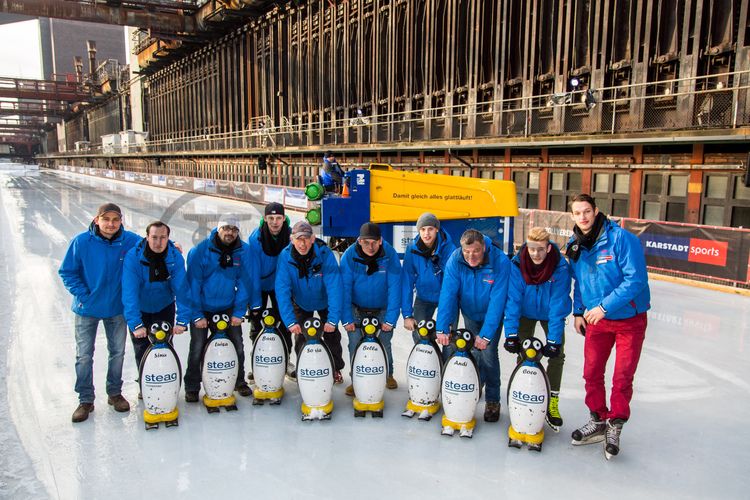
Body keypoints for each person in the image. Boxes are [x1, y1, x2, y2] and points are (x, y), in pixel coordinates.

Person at [566, 194, 650, 459]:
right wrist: (578, 310)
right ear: (572, 216)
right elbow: (579, 281)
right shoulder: (575, 245)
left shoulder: (622, 239)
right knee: (591, 372)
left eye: (587, 211)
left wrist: (603, 308)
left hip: (629, 320)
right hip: (596, 320)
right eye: (577, 213)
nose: (583, 217)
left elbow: (635, 280)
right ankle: (598, 419)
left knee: (622, 376)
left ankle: (615, 424)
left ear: (596, 210)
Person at [59, 203, 141, 423]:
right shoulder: (81, 242)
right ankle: (85, 399)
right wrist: (84, 295)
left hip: (116, 309)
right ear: (97, 220)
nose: (111, 224)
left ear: (121, 221)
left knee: (117, 353)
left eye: (115, 220)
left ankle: (114, 393)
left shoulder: (131, 241)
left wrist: (173, 245)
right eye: (106, 220)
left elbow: (154, 244)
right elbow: (67, 272)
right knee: (84, 355)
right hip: (87, 309)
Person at [435, 229, 510, 423]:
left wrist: (485, 335)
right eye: (467, 251)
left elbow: (498, 300)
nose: (471, 256)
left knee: (489, 354)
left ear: (483, 247)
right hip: (469, 312)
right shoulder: (456, 259)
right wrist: (443, 327)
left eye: (476, 251)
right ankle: (475, 385)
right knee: (473, 353)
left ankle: (493, 400)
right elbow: (448, 294)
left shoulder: (499, 261)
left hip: (491, 315)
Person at [503, 227, 571, 430]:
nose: (535, 254)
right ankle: (521, 393)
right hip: (525, 312)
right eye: (532, 249)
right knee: (524, 352)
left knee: (557, 354)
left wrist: (553, 341)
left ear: (549, 248)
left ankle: (552, 401)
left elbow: (558, 303)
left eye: (540, 249)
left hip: (550, 313)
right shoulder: (517, 264)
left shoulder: (560, 267)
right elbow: (513, 300)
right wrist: (511, 334)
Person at [184, 216, 258, 402]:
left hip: (227, 307)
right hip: (203, 307)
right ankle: (192, 386)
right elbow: (193, 284)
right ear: (218, 229)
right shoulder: (200, 251)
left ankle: (239, 381)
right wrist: (197, 315)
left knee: (238, 345)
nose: (230, 232)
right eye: (226, 228)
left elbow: (245, 282)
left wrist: (239, 312)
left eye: (234, 229)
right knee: (197, 347)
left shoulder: (243, 250)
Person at [275, 221, 345, 382]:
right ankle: (303, 366)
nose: (302, 243)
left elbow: (335, 287)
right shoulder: (285, 257)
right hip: (301, 301)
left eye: (306, 238)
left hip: (324, 300)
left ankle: (335, 368)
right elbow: (282, 290)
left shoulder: (325, 254)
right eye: (299, 239)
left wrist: (333, 320)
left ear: (313, 239)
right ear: (292, 239)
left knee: (332, 335)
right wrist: (290, 321)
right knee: (300, 336)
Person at [122, 221, 191, 381]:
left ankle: (167, 379)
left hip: (163, 306)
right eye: (154, 237)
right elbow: (129, 292)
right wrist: (135, 324)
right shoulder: (133, 257)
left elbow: (181, 289)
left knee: (164, 344)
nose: (158, 242)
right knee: (142, 348)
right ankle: (145, 382)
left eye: (163, 237)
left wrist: (182, 320)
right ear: (147, 237)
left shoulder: (174, 257)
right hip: (141, 307)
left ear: (168, 238)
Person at [340, 222, 402, 395]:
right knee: (355, 344)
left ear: (380, 240)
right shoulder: (349, 256)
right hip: (356, 307)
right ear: (359, 241)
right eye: (366, 242)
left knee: (384, 342)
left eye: (374, 242)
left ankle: (388, 373)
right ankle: (355, 379)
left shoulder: (390, 255)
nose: (371, 246)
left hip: (382, 306)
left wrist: (390, 319)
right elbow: (344, 289)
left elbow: (395, 288)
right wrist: (346, 318)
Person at [247, 202, 292, 367]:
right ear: (265, 219)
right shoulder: (255, 238)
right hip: (259, 284)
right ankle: (257, 360)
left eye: (278, 218)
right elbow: (252, 272)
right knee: (256, 322)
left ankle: (286, 360)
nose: (275, 222)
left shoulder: (291, 236)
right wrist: (255, 303)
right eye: (271, 218)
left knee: (285, 321)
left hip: (280, 285)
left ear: (283, 218)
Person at [401, 212, 457, 343]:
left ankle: (444, 362)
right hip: (424, 297)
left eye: (430, 229)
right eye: (423, 229)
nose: (426, 233)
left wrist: (446, 323)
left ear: (437, 229)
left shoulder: (449, 250)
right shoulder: (412, 249)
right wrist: (407, 314)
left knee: (447, 339)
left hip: (446, 298)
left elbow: (451, 285)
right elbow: (407, 282)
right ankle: (426, 362)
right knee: (420, 335)